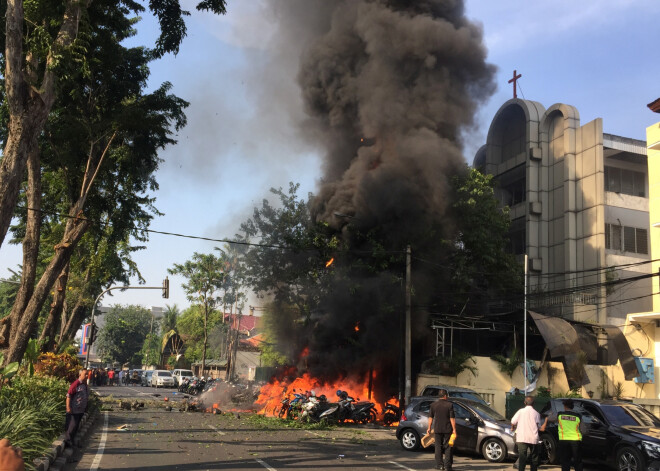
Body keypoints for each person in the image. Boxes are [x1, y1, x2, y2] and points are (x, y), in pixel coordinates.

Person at [541, 399, 583, 471]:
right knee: (577, 461)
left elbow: (549, 418)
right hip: (576, 441)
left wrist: (547, 418)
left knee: (565, 461)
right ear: (572, 406)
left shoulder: (560, 415)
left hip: (564, 441)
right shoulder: (578, 416)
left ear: (565, 406)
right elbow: (584, 430)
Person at [426, 388, 456, 471]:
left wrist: (429, 428)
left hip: (437, 429)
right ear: (445, 396)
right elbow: (452, 418)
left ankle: (439, 465)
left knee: (438, 447)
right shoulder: (449, 405)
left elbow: (430, 417)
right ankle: (448, 466)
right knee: (448, 447)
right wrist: (454, 429)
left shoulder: (433, 405)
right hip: (447, 429)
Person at [511, 396, 544, 471]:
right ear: (534, 403)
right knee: (534, 458)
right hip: (533, 438)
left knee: (522, 458)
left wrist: (512, 427)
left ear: (524, 402)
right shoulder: (536, 414)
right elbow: (539, 426)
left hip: (522, 437)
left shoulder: (520, 411)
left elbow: (513, 421)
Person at [65, 369, 89, 447]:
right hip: (74, 410)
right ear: (80, 375)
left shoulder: (84, 384)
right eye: (85, 374)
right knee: (72, 426)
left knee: (76, 426)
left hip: (81, 410)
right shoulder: (76, 384)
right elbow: (68, 396)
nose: (86, 376)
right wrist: (68, 407)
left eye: (87, 374)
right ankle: (68, 441)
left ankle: (72, 441)